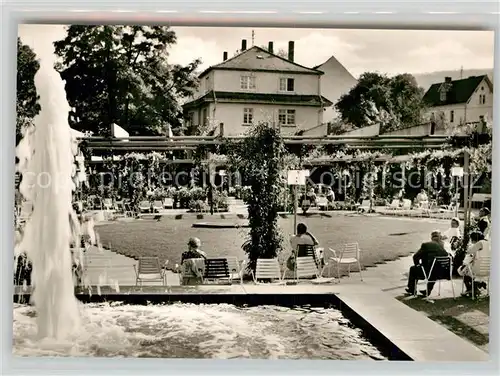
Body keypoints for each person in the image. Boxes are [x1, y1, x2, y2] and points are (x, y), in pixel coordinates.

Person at [405, 230, 449, 296]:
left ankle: (412, 289)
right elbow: (448, 256)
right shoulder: (443, 246)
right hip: (443, 273)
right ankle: (428, 291)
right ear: (440, 237)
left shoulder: (426, 245)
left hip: (428, 272)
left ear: (431, 237)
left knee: (413, 269)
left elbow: (415, 257)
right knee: (435, 268)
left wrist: (418, 265)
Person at [458, 231, 489, 297]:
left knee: (463, 270)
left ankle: (471, 289)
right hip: (489, 271)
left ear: (473, 239)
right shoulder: (489, 243)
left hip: (478, 270)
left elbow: (468, 252)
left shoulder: (479, 243)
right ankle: (478, 285)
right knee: (470, 270)